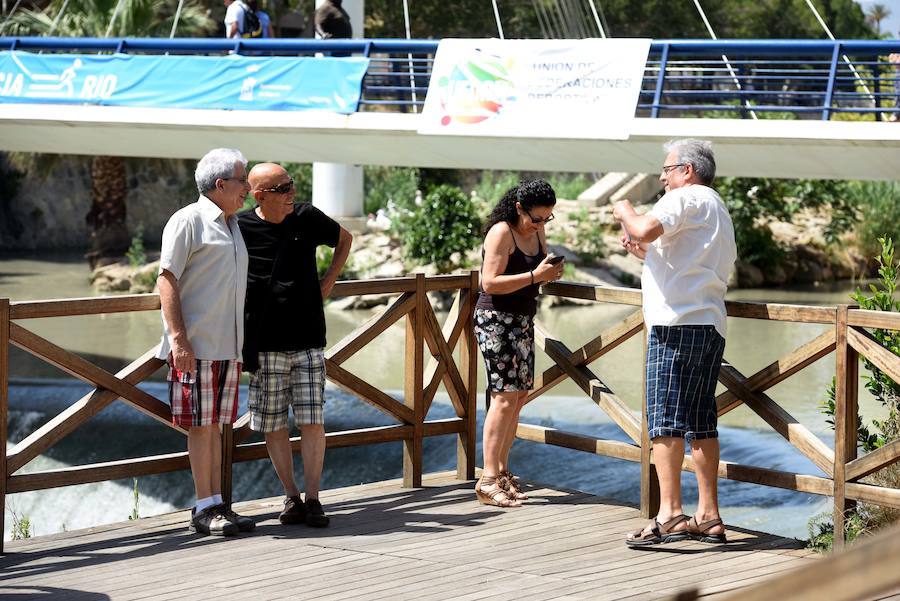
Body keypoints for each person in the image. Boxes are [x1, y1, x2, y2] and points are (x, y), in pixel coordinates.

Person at [613, 139, 736, 546]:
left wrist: (624, 210)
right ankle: (709, 516)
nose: (662, 178)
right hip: (707, 323)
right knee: (701, 422)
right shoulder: (716, 207)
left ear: (687, 170)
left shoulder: (685, 197)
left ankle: (669, 514)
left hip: (674, 326)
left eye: (666, 169)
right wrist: (645, 254)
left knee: (664, 421)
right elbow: (687, 264)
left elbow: (645, 225)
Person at [238, 163, 352, 528]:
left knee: (312, 420)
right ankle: (291, 496)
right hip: (265, 344)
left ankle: (315, 499)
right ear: (259, 195)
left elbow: (344, 238)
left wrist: (329, 280)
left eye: (292, 185)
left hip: (308, 339)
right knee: (272, 423)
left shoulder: (305, 216)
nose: (291, 193)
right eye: (282, 188)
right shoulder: (240, 227)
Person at [157, 148, 254, 537]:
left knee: (216, 427)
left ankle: (218, 503)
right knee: (201, 427)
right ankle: (203, 507)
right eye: (243, 181)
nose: (247, 188)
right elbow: (167, 280)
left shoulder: (233, 224)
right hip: (195, 346)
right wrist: (178, 340)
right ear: (221, 184)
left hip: (228, 347)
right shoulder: (188, 221)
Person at [474, 179, 564, 507]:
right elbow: (489, 282)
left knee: (518, 396)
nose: (540, 224)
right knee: (502, 399)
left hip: (524, 321)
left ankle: (501, 472)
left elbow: (538, 267)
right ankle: (486, 479)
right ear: (518, 208)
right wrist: (534, 278)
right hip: (495, 322)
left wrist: (549, 272)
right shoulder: (501, 232)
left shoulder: (537, 231)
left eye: (546, 219)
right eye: (535, 218)